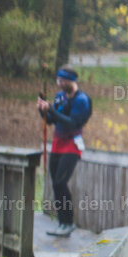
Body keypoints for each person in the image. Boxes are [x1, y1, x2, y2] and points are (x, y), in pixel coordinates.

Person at [37, 66, 92, 237]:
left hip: (72, 145)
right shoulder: (60, 97)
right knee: (56, 183)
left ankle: (68, 222)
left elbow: (73, 122)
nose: (59, 84)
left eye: (62, 81)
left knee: (61, 182)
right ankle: (62, 223)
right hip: (57, 143)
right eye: (58, 80)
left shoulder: (81, 100)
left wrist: (52, 110)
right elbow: (52, 120)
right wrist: (43, 110)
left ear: (70, 81)